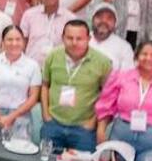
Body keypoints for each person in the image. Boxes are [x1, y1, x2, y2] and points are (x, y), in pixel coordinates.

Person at [39, 19, 113, 152]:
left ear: (88, 39)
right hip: (53, 123)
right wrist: (45, 114)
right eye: (69, 38)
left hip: (83, 128)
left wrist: (92, 121)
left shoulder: (103, 62)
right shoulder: (53, 56)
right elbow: (45, 85)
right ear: (62, 38)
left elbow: (106, 95)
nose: (74, 42)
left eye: (79, 38)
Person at [0, 25, 41, 140]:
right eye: (9, 40)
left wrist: (11, 117)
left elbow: (33, 97)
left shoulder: (33, 66)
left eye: (18, 39)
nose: (14, 43)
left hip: (20, 115)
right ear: (3, 42)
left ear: (23, 42)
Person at [20, 0, 75, 65]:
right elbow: (22, 41)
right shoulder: (29, 15)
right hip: (31, 66)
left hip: (57, 67)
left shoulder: (70, 18)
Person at [89, 3, 135, 72]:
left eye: (109, 18)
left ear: (115, 23)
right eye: (100, 17)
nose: (104, 21)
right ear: (92, 20)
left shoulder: (124, 47)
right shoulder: (80, 39)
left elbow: (127, 76)